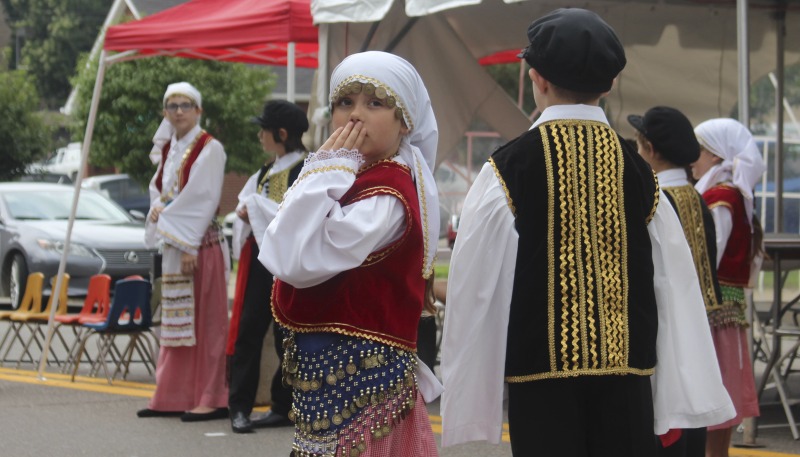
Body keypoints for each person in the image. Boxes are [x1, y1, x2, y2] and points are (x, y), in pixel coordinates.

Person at [440, 9, 734, 457]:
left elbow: (476, 286)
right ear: (611, 83)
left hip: (540, 384)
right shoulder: (640, 173)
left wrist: (471, 397)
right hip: (627, 381)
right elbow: (675, 285)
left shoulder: (506, 169)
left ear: (536, 78)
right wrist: (679, 390)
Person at [259, 51, 442, 457]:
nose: (355, 115)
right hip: (328, 379)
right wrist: (328, 170)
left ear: (404, 121)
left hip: (365, 384)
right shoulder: (345, 177)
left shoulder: (387, 193)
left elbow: (292, 257)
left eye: (375, 103)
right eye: (345, 103)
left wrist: (323, 170)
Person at [628, 106, 725, 456]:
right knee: (691, 430)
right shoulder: (698, 200)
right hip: (698, 336)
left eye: (639, 148)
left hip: (663, 339)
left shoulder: (655, 200)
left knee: (666, 430)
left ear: (651, 150)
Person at [138, 82, 230, 422]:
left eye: (186, 105)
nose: (179, 111)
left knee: (207, 322)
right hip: (177, 244)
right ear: (165, 112)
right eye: (172, 105)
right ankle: (171, 395)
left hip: (199, 244)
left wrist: (188, 240)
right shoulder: (168, 149)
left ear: (198, 110)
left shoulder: (210, 146)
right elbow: (160, 190)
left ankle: (211, 396)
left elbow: (203, 196)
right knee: (177, 322)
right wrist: (159, 208)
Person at [226, 100, 307, 434]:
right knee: (249, 331)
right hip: (263, 264)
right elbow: (244, 204)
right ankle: (239, 407)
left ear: (282, 133)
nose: (260, 135)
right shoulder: (264, 172)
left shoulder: (308, 169)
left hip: (289, 265)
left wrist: (255, 210)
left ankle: (282, 404)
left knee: (286, 336)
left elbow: (298, 213)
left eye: (264, 130)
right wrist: (248, 212)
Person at [691, 118, 764, 457]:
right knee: (720, 395)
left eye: (700, 151)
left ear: (717, 155)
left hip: (712, 311)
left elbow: (710, 252)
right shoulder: (731, 193)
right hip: (723, 312)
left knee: (713, 393)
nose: (693, 158)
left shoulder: (721, 195)